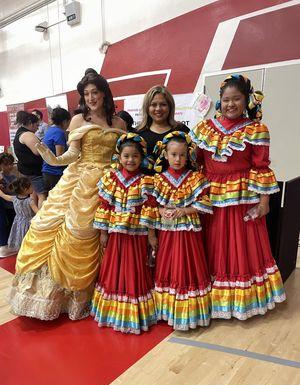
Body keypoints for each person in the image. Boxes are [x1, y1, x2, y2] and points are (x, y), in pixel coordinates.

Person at [8, 68, 126, 321]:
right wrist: (54, 158)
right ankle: (54, 297)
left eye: (96, 92)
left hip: (108, 183)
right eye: (86, 94)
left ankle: (102, 292)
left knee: (96, 234)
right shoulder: (78, 120)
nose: (92, 97)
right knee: (56, 227)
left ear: (105, 93)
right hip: (79, 180)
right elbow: (73, 154)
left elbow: (121, 156)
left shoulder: (119, 123)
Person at [190, 74, 286, 320]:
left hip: (243, 197)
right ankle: (213, 299)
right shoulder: (204, 128)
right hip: (212, 196)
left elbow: (261, 167)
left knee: (242, 246)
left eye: (237, 99)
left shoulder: (255, 129)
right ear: (219, 101)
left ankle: (243, 301)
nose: (231, 104)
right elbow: (198, 162)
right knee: (215, 243)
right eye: (226, 99)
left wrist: (264, 201)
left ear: (246, 101)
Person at [141, 131, 212, 330]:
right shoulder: (158, 180)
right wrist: (153, 229)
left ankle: (188, 313)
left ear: (188, 155)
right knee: (169, 265)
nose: (178, 159)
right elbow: (150, 207)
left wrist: (183, 211)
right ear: (165, 155)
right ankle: (168, 310)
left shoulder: (195, 178)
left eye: (182, 155)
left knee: (188, 265)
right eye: (173, 154)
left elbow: (204, 204)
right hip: (168, 235)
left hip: (189, 235)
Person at [91, 133, 157, 334]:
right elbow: (104, 206)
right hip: (116, 235)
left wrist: (151, 235)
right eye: (126, 156)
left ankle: (133, 314)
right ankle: (113, 311)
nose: (130, 160)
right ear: (119, 157)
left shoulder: (146, 181)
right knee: (114, 268)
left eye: (135, 156)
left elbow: (150, 209)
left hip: (137, 236)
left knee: (135, 268)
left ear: (142, 158)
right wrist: (103, 233)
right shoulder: (111, 179)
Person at [137, 86, 189, 160]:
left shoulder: (182, 131)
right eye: (153, 105)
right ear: (147, 108)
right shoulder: (138, 134)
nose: (158, 109)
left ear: (170, 107)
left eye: (163, 104)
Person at [13, 111, 47, 208]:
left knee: (33, 193)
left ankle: (35, 215)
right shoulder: (27, 134)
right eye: (37, 125)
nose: (37, 127)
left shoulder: (20, 132)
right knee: (42, 195)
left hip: (26, 169)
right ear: (30, 123)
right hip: (33, 171)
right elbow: (38, 151)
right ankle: (42, 217)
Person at [0, 178, 38, 251]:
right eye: (31, 187)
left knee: (21, 237)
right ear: (25, 189)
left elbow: (3, 195)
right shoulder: (30, 201)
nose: (33, 188)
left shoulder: (13, 199)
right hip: (29, 223)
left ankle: (22, 252)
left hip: (18, 223)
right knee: (29, 239)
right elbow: (38, 213)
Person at [42, 107, 71, 193]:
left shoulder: (50, 130)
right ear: (65, 121)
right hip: (55, 173)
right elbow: (60, 157)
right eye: (68, 122)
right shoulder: (59, 132)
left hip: (47, 172)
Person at [0, 153, 17, 257]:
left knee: (12, 224)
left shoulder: (13, 176)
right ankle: (4, 246)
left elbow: (12, 190)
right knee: (5, 224)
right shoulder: (1, 177)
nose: (9, 166)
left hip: (12, 205)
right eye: (6, 164)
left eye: (11, 164)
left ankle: (11, 244)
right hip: (5, 205)